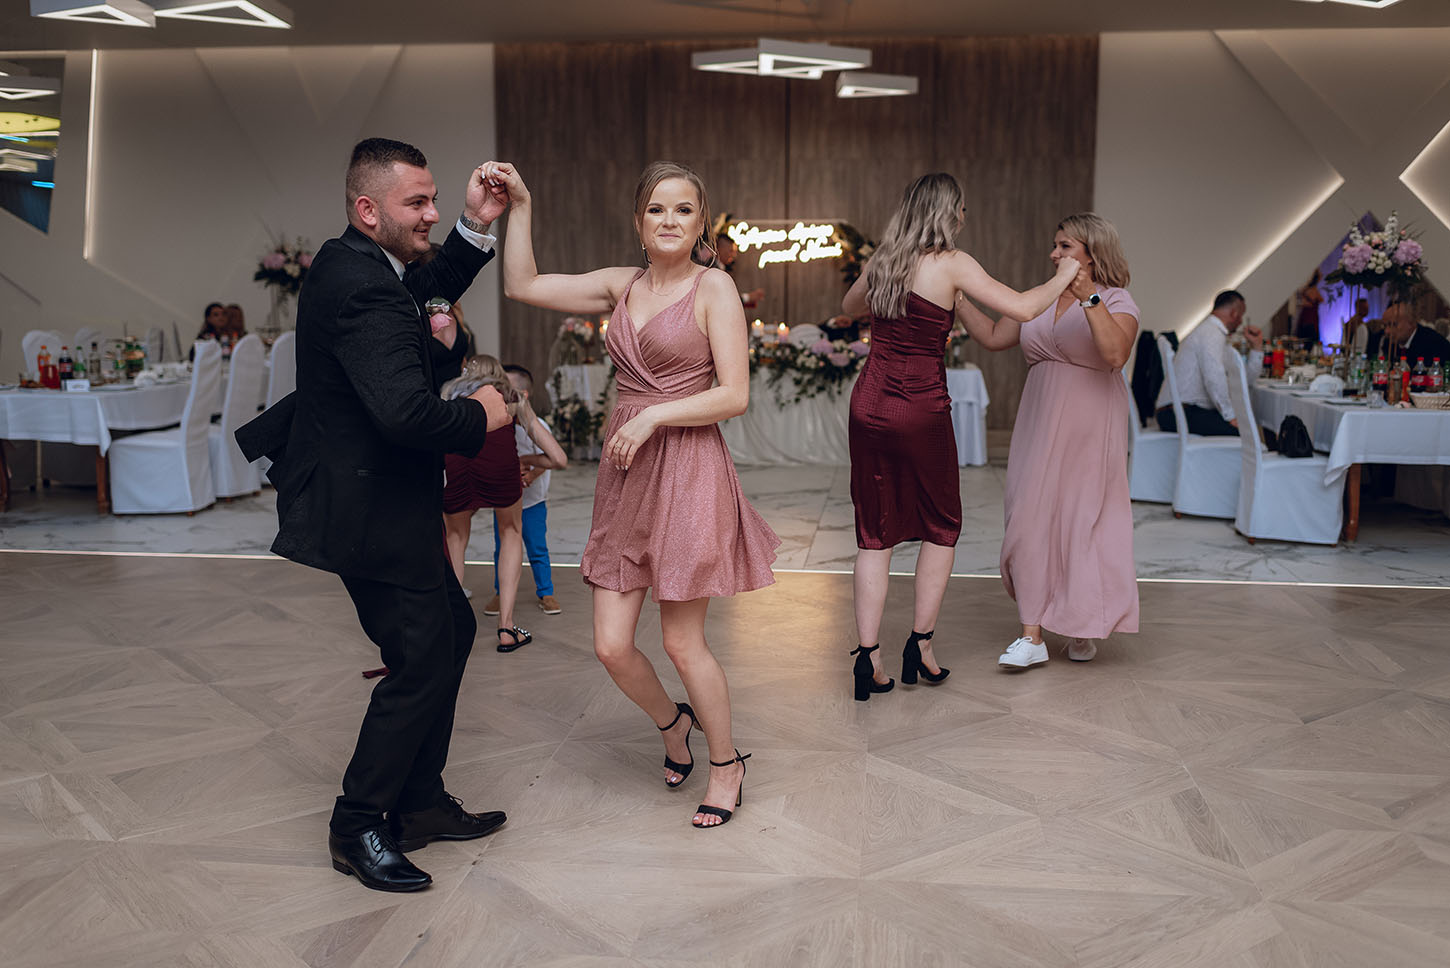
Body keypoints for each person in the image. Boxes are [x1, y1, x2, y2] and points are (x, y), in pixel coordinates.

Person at [234, 138, 513, 893]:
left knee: (451, 631)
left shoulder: (363, 264)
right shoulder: (363, 287)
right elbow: (403, 414)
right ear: (368, 209)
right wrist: (482, 415)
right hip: (367, 508)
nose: (431, 214)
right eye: (417, 203)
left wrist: (476, 223)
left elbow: (425, 285)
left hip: (383, 498)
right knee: (421, 659)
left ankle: (418, 803)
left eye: (434, 200)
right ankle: (357, 824)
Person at [495, 159, 778, 828]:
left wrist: (652, 416)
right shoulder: (619, 285)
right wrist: (522, 205)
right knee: (610, 645)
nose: (669, 220)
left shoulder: (715, 288)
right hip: (628, 476)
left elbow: (735, 394)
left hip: (687, 468)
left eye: (683, 209)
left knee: (682, 643)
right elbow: (521, 284)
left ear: (700, 223)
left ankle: (726, 763)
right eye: (657, 209)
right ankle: (672, 724)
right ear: (638, 222)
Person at [840, 172, 1081, 700]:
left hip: (869, 403)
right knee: (941, 524)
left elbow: (852, 307)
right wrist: (1067, 273)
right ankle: (920, 647)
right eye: (963, 209)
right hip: (920, 406)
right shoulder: (951, 261)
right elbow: (1022, 308)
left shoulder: (884, 259)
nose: (964, 218)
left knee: (874, 533)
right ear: (949, 212)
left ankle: (868, 658)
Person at [955, 213, 1138, 668]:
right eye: (1055, 245)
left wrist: (1089, 296)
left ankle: (1080, 624)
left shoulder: (1117, 299)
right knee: (1028, 517)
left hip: (1091, 424)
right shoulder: (1040, 296)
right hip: (1038, 419)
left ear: (1092, 253)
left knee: (1082, 522)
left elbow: (1115, 355)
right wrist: (958, 298)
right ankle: (1032, 635)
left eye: (1064, 246)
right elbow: (994, 336)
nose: (1053, 254)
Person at [441, 355, 567, 650]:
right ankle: (507, 629)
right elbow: (559, 458)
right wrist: (529, 459)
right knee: (511, 533)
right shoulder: (511, 398)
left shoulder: (448, 395)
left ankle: (449, 627)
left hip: (456, 467)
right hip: (501, 470)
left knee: (455, 538)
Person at [482, 364, 567, 618]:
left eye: (504, 387)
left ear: (523, 394)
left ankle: (546, 592)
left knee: (537, 548)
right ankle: (501, 592)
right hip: (505, 501)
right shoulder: (498, 424)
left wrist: (530, 473)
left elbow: (549, 457)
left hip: (532, 502)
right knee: (502, 548)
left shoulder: (537, 425)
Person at [1154, 290, 1262, 436]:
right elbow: (1214, 378)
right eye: (1241, 316)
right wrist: (1230, 416)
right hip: (1178, 413)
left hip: (1177, 411)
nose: (1241, 321)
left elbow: (1243, 380)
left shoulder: (1211, 332)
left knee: (1246, 428)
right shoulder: (1211, 333)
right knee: (1246, 434)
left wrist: (1257, 347)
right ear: (1234, 313)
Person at [1368, 299, 1450, 365]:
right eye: (1385, 326)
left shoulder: (1433, 343)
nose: (1387, 331)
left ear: (1411, 322)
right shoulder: (1388, 343)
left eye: (1393, 325)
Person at [1293, 268, 1323, 342]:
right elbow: (1322, 300)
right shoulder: (1315, 291)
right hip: (1311, 318)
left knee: (1302, 339)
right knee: (1310, 340)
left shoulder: (1305, 289)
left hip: (1304, 317)